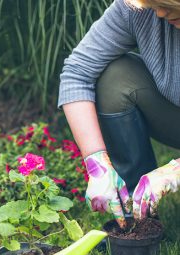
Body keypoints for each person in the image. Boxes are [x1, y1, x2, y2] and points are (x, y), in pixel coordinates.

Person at [58, 0, 180, 228]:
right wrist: (97, 164)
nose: (161, 12)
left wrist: (174, 171)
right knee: (115, 77)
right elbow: (77, 72)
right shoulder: (139, 7)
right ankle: (138, 215)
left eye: (165, 3)